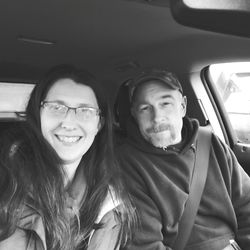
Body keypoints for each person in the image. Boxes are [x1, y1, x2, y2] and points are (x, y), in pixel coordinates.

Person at [0, 65, 135, 250]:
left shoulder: (112, 203)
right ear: (38, 115)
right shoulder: (6, 186)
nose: (69, 122)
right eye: (56, 107)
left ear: (99, 124)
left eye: (85, 110)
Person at [116, 68, 250, 250]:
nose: (157, 118)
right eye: (145, 108)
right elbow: (145, 244)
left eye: (165, 104)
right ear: (134, 114)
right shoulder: (127, 162)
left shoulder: (210, 143)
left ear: (183, 106)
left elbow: (247, 204)